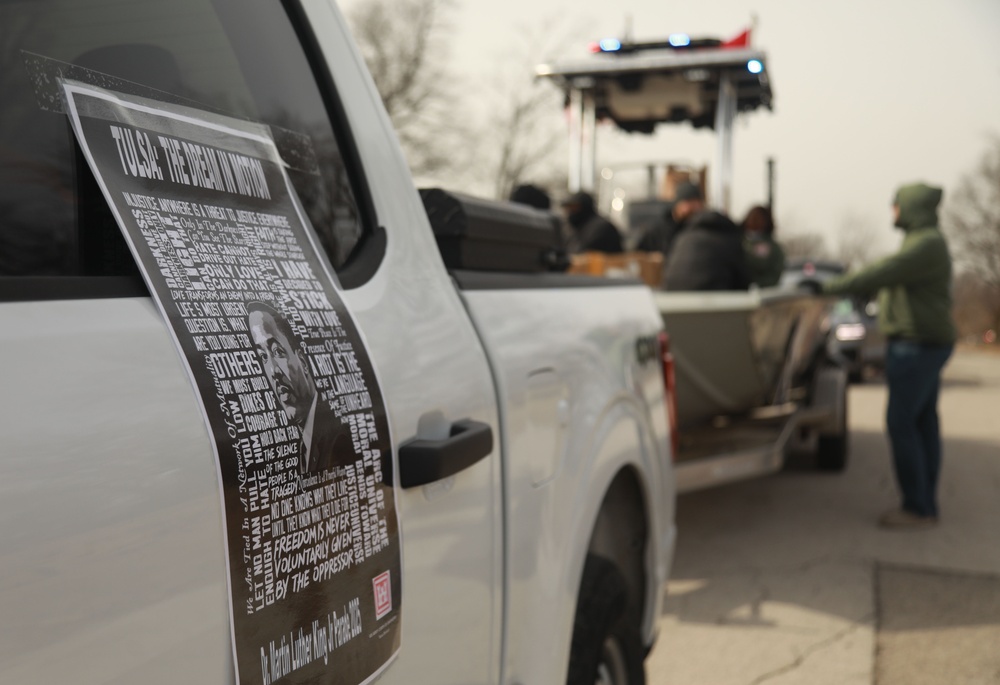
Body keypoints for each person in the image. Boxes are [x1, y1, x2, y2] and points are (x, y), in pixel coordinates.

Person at [822, 182, 956, 529]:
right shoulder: (925, 242)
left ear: (909, 207)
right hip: (924, 343)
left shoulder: (925, 244)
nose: (892, 212)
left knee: (901, 422)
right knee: (924, 422)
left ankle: (917, 507)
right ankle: (926, 503)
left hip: (916, 345)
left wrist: (827, 286)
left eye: (895, 205)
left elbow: (885, 270)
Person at [247, 301, 352, 477]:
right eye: (264, 357)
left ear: (302, 361)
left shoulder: (338, 436)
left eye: (278, 352)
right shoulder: (304, 443)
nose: (273, 372)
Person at [661, 184, 750, 291]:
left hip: (673, 300)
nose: (692, 207)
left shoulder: (682, 238)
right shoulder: (729, 239)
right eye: (688, 202)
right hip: (711, 302)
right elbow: (743, 281)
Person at [634, 181, 704, 257]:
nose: (694, 209)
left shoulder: (699, 230)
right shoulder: (656, 232)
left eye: (697, 205)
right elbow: (637, 256)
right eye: (689, 204)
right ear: (678, 204)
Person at [741, 204, 786, 287]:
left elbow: (775, 274)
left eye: (759, 219)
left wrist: (756, 284)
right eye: (752, 218)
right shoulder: (736, 241)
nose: (754, 221)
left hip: (761, 292)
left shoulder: (773, 248)